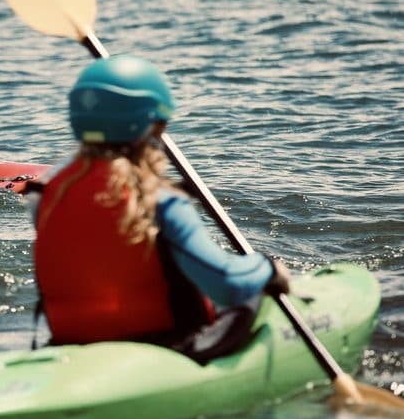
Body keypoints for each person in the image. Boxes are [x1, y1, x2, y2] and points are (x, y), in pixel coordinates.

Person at [28, 54, 291, 361]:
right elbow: (227, 285)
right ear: (156, 126)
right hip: (166, 348)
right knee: (252, 297)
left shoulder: (45, 196)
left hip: (70, 344)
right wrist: (268, 268)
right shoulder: (161, 201)